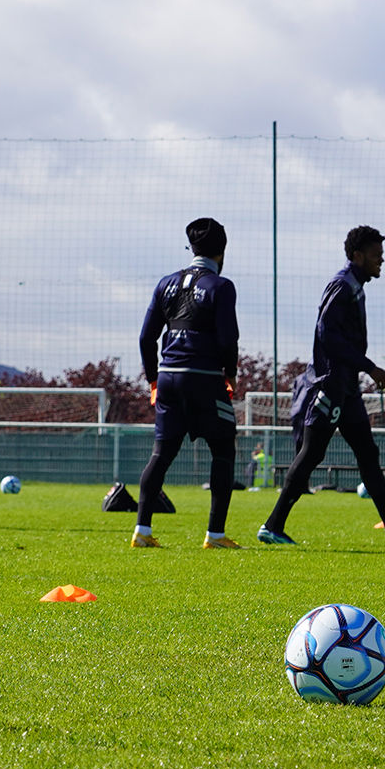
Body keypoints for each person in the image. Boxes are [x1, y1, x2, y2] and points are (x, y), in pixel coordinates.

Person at [257, 227, 385, 547]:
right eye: (376, 255)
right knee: (312, 453)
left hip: (347, 387)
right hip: (330, 385)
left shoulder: (355, 285)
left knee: (368, 454)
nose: (381, 260)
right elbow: (327, 335)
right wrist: (369, 366)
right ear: (357, 256)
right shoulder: (342, 285)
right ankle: (272, 525)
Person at [134, 219, 241, 549]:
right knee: (223, 450)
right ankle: (215, 535)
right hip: (204, 377)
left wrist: (153, 379)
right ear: (222, 251)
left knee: (161, 453)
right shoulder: (221, 286)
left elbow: (146, 337)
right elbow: (228, 338)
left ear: (191, 248)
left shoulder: (165, 283)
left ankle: (142, 531)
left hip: (168, 376)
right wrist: (230, 372)